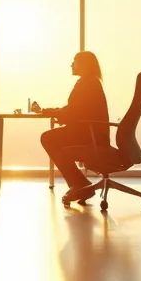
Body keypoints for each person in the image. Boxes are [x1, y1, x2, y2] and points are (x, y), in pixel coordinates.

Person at [33, 51, 109, 203]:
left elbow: (73, 111)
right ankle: (79, 183)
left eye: (75, 61)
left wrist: (47, 112)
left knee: (48, 138)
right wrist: (49, 111)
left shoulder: (88, 83)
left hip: (89, 135)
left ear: (84, 64)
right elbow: (73, 110)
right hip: (89, 132)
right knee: (51, 139)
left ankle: (79, 183)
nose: (71, 64)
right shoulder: (89, 82)